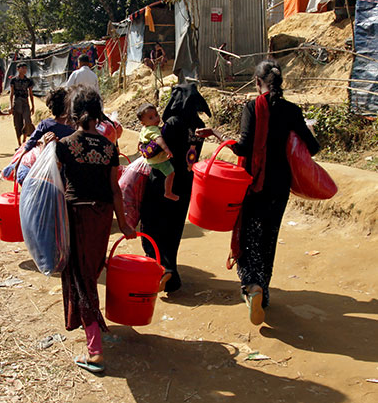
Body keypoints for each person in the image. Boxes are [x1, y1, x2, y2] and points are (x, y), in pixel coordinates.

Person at [196, 59, 320, 325]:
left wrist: (217, 134)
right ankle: (263, 294)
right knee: (269, 238)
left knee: (250, 234)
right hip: (280, 184)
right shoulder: (292, 110)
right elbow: (313, 147)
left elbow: (242, 148)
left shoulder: (253, 107)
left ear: (256, 82)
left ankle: (252, 285)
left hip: (254, 183)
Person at [55, 87, 136, 374]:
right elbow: (116, 190)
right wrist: (124, 224)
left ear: (74, 113)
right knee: (91, 272)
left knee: (81, 278)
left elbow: (51, 186)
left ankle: (95, 350)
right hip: (102, 217)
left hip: (76, 214)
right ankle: (96, 326)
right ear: (98, 112)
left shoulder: (64, 144)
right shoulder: (109, 147)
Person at [139, 83, 214, 294]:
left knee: (151, 225)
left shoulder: (172, 123)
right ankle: (170, 274)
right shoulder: (198, 125)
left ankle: (160, 270)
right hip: (184, 185)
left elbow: (154, 152)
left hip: (161, 183)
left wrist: (143, 147)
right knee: (173, 230)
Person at [137, 104, 178, 201]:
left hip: (150, 161)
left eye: (156, 114)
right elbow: (159, 139)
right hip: (159, 160)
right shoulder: (153, 130)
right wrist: (167, 150)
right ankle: (168, 192)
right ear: (143, 122)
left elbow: (140, 141)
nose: (156, 118)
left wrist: (139, 148)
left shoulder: (144, 129)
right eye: (151, 118)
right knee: (170, 174)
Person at [9, 63, 35, 146]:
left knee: (27, 121)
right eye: (22, 68)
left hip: (25, 102)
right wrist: (11, 105)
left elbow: (30, 93)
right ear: (18, 69)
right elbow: (11, 93)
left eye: (25, 68)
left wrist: (33, 105)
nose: (24, 70)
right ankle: (19, 143)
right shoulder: (13, 80)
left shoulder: (28, 81)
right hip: (17, 102)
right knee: (17, 123)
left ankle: (24, 140)